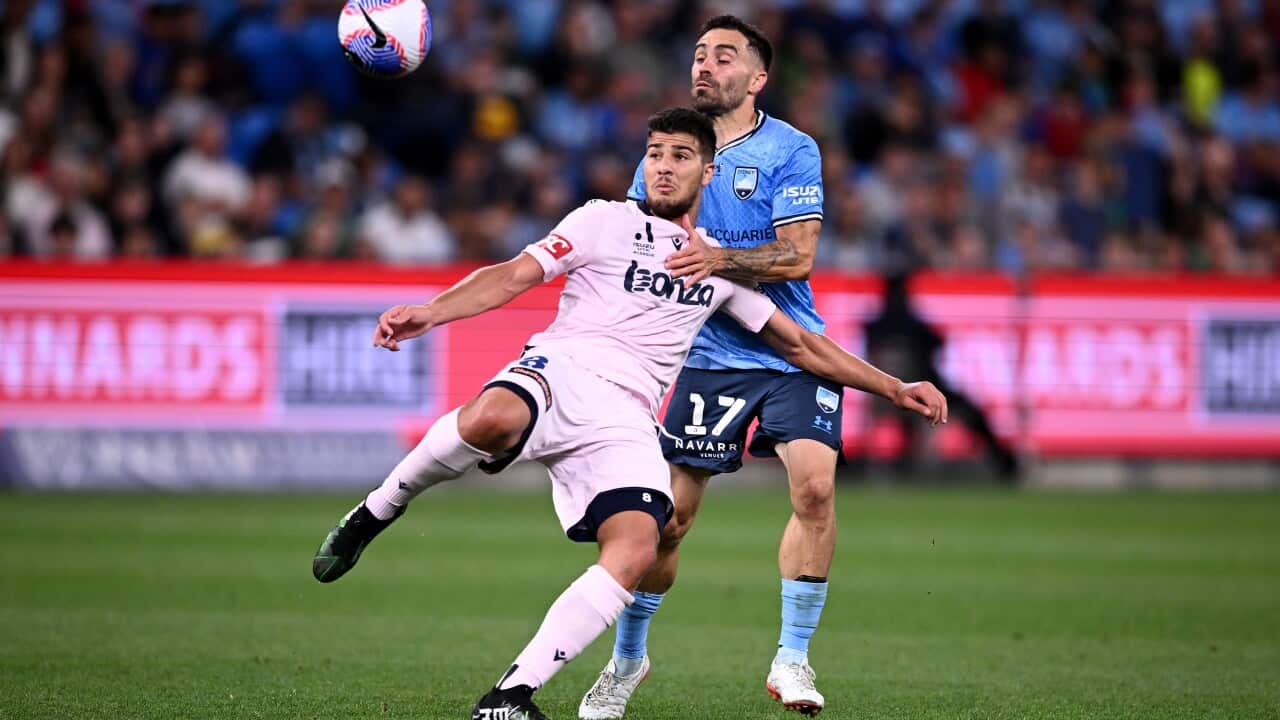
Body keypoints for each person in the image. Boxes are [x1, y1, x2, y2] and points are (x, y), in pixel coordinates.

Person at [311, 108, 947, 720]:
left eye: (681, 156)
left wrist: (893, 388)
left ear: (708, 174)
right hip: (562, 371)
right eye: (655, 153)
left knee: (640, 543)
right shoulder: (599, 221)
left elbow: (802, 344)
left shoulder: (716, 267)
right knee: (490, 419)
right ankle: (377, 510)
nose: (664, 166)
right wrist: (430, 310)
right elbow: (512, 276)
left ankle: (510, 695)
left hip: (628, 418)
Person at [582, 16, 842, 718]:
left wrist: (718, 257)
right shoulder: (666, 157)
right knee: (666, 523)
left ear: (757, 78)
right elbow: (641, 258)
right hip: (706, 354)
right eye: (699, 54)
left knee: (814, 491)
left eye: (724, 56)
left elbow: (799, 256)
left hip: (791, 347)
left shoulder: (792, 149)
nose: (706, 64)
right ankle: (627, 659)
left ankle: (792, 658)